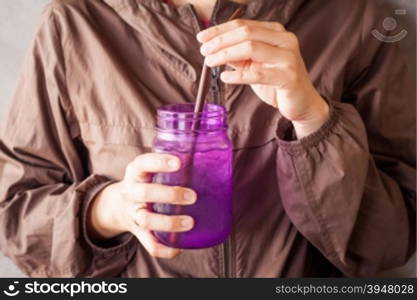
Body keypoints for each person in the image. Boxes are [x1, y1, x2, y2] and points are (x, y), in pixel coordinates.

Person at [0, 0, 415, 278]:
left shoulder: (358, 16)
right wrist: (109, 209)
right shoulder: (74, 19)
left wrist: (313, 119)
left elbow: (391, 244)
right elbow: (13, 215)